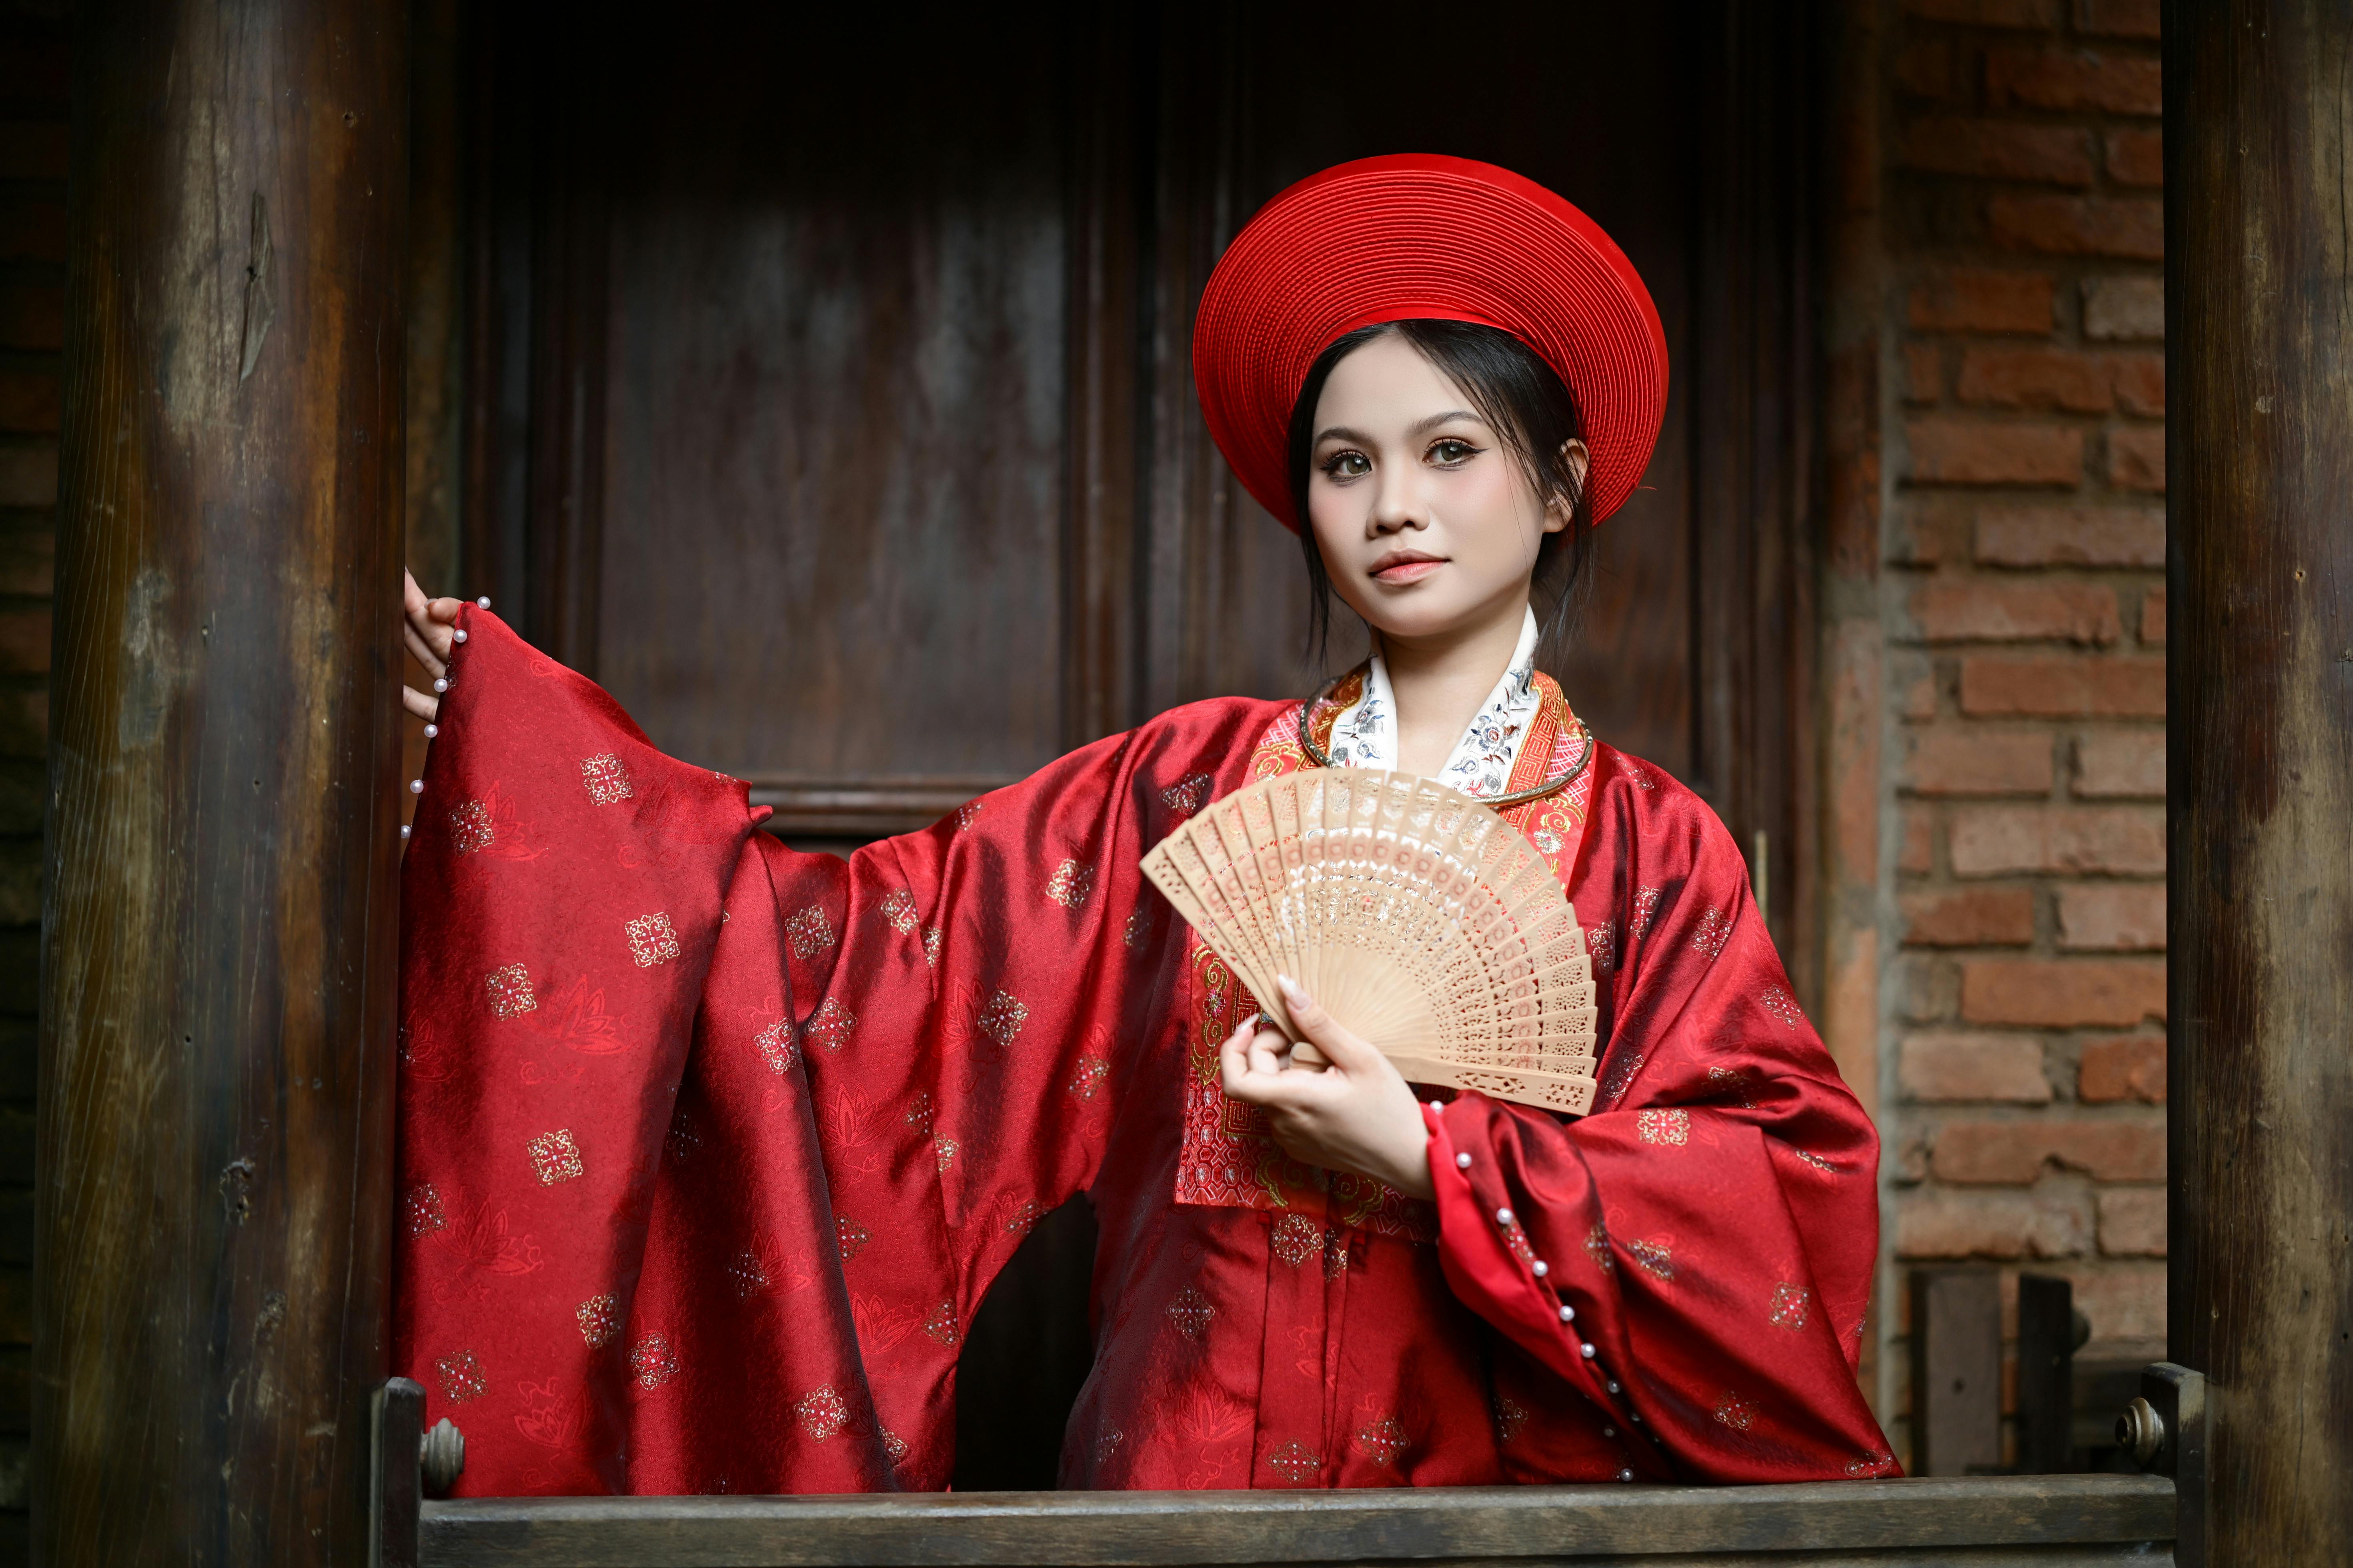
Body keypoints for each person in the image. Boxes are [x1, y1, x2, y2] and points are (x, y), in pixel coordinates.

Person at [393, 154, 1895, 1496]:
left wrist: (1436, 1160)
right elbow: (848, 974)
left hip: (1484, 1512)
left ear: (1559, 485)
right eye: (1344, 462)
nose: (1392, 507)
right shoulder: (1180, 789)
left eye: (1452, 451)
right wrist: (515, 786)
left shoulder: (1650, 846)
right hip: (1170, 1491)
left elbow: (1772, 1208)